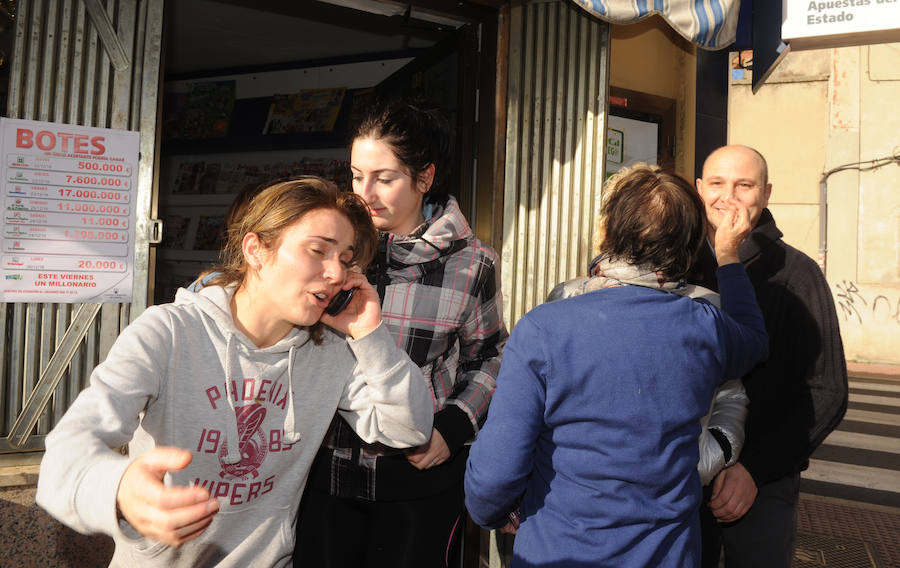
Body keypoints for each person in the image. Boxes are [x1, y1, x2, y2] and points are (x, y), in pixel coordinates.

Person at [35, 177, 434, 568]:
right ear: (255, 250)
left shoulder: (329, 352)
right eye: (318, 250)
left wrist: (371, 336)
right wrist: (120, 489)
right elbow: (63, 460)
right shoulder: (169, 332)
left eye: (346, 260)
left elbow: (409, 430)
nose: (335, 274)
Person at [464, 164, 769, 567]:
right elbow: (754, 339)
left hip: (558, 551)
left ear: (608, 233)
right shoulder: (706, 327)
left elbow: (496, 470)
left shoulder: (545, 328)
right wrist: (729, 254)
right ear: (690, 246)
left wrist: (495, 513)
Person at [295, 100, 508, 567]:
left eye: (383, 178)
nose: (363, 193)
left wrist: (453, 427)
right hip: (323, 476)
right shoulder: (331, 251)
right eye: (355, 175)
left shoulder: (472, 263)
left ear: (424, 178)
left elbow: (491, 355)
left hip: (420, 483)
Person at [692, 145, 848, 568]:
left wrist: (754, 470)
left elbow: (828, 390)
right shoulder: (677, 265)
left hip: (761, 485)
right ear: (699, 188)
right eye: (718, 184)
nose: (729, 197)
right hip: (681, 478)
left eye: (745, 185)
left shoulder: (798, 274)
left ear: (766, 193)